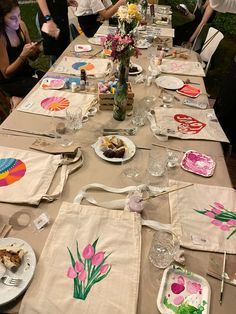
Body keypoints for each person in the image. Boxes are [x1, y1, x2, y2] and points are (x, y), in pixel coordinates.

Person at [0, 0, 44, 106]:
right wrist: (23, 55)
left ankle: (17, 98)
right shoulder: (1, 37)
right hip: (10, 81)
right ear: (2, 19)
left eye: (19, 15)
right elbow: (6, 74)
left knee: (52, 80)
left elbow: (33, 57)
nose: (18, 21)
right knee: (43, 89)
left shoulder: (22, 26)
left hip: (26, 72)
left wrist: (37, 49)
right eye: (12, 18)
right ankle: (14, 98)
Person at [37, 0, 78, 65]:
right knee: (56, 53)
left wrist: (65, 2)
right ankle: (54, 74)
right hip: (50, 19)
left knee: (63, 50)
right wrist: (48, 19)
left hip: (61, 17)